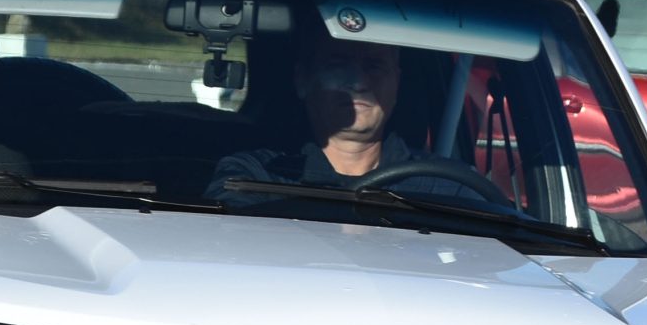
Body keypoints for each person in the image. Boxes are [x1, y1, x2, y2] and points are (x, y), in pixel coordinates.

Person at [208, 17, 495, 207]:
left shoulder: (449, 187)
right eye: (338, 64)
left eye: (374, 66)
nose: (358, 83)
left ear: (397, 81)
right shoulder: (254, 176)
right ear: (303, 80)